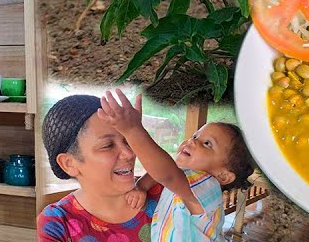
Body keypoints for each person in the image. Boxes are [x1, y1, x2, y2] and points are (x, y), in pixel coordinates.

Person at [97, 89, 255, 242]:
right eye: (195, 135)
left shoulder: (208, 186)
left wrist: (132, 130)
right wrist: (141, 187)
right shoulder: (182, 179)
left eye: (207, 144)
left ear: (223, 175)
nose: (192, 141)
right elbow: (165, 170)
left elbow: (167, 173)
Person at [38, 94, 163, 242]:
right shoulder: (57, 224)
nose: (129, 153)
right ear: (69, 164)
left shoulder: (163, 192)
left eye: (127, 140)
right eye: (108, 146)